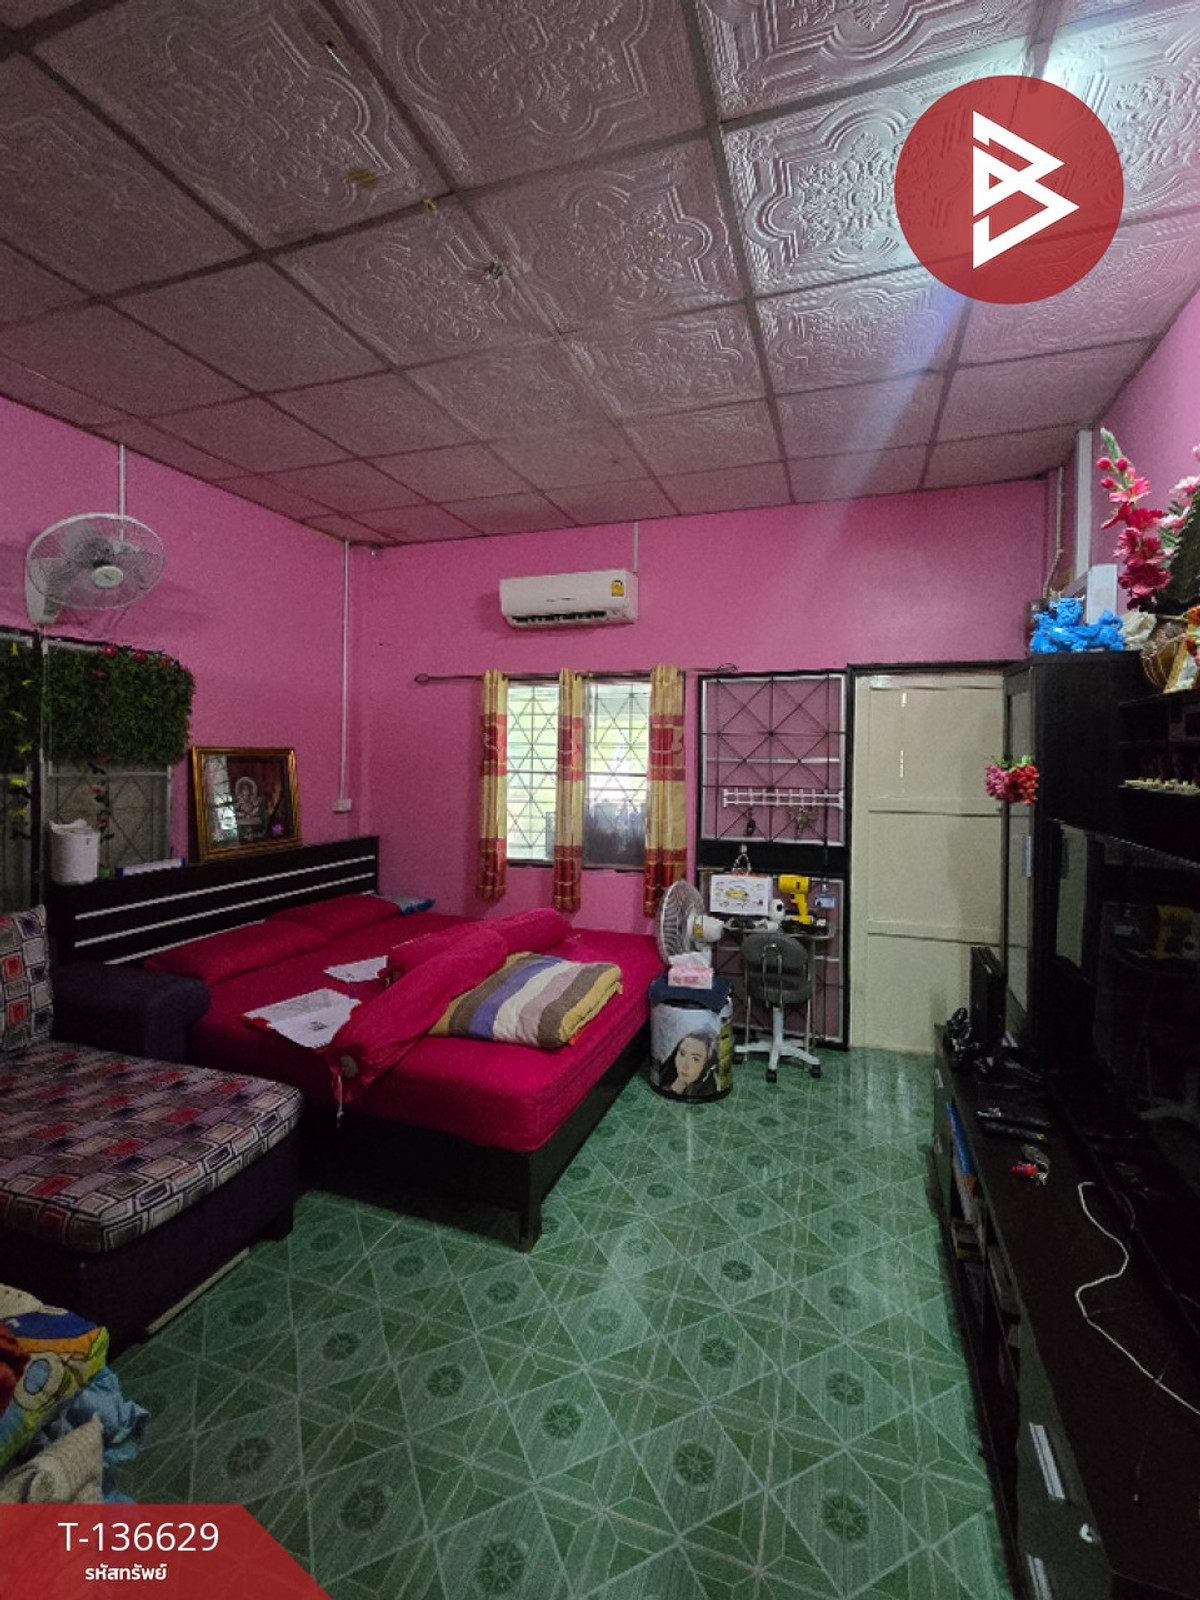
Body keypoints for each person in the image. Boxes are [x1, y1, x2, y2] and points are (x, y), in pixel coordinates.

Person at [661, 1030, 719, 1098]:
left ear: (708, 1065)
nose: (684, 1065)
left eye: (695, 1059)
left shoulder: (708, 1092)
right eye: (682, 1054)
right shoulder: (663, 1073)